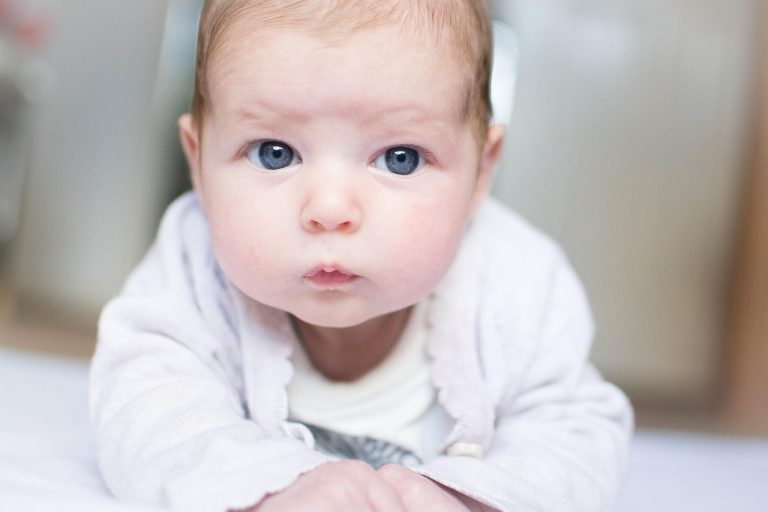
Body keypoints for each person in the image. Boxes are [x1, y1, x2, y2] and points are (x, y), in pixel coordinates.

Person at [89, 1, 633, 511]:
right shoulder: (193, 262)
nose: (330, 209)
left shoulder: (518, 281)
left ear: (480, 172)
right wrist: (266, 489)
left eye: (400, 158)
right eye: (274, 154)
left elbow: (574, 434)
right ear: (199, 162)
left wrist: (470, 498)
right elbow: (145, 402)